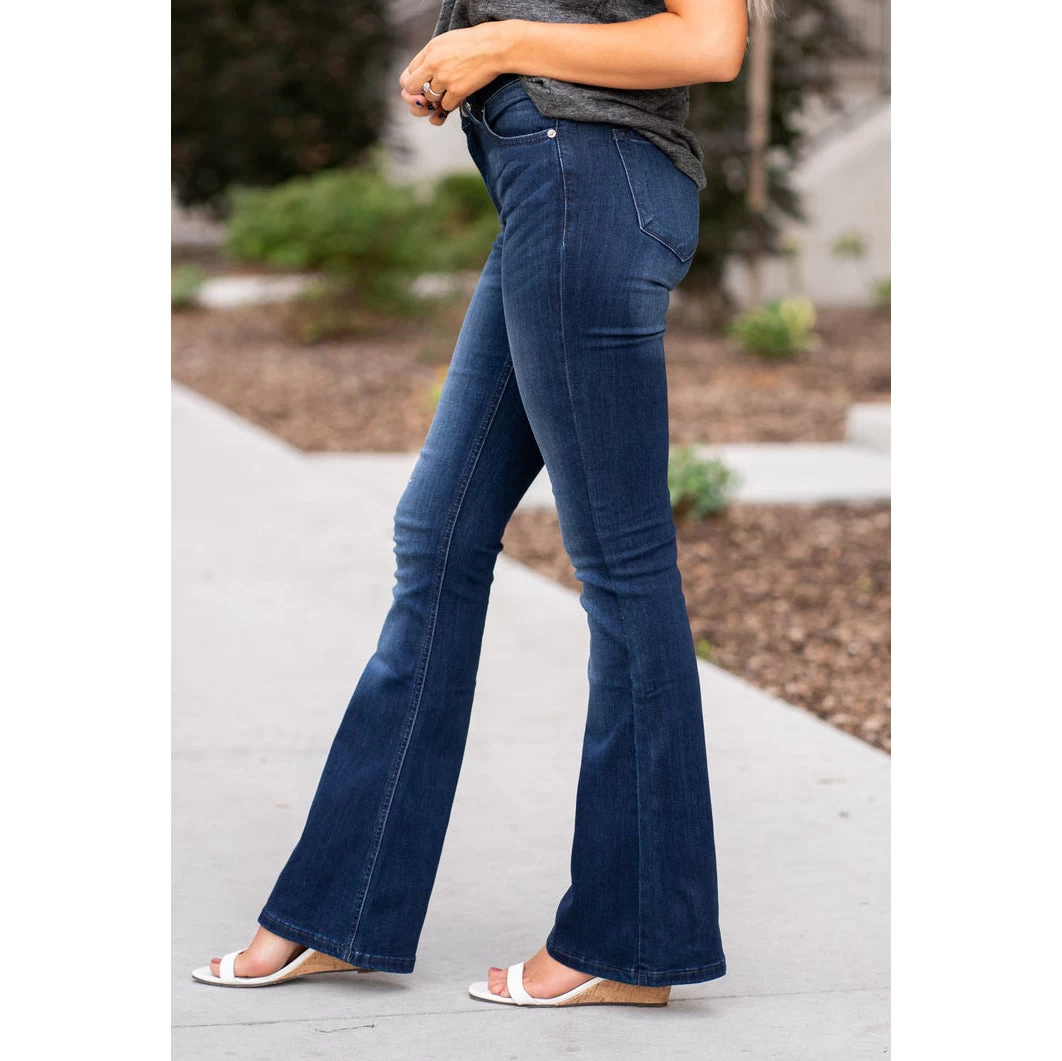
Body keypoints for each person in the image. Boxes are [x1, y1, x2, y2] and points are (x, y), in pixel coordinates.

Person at [193, 0, 760, 1008]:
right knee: (438, 533)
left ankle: (632, 937)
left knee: (623, 564)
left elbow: (708, 41)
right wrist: (460, 49)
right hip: (550, 190)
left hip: (589, 182)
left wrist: (494, 44)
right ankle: (340, 907)